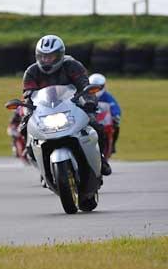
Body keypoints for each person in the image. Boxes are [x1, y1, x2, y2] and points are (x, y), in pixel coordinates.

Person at [20, 35, 111, 176]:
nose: (46, 60)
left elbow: (84, 86)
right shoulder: (31, 72)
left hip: (73, 107)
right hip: (44, 112)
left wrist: (89, 102)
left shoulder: (72, 66)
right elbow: (28, 95)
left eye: (50, 57)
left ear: (60, 55)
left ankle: (101, 159)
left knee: (96, 126)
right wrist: (27, 113)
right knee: (25, 129)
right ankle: (42, 168)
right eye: (42, 56)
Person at [89, 73, 122, 154]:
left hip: (104, 120)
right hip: (89, 119)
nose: (96, 90)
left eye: (98, 88)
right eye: (93, 88)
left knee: (116, 126)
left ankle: (113, 144)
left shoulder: (107, 96)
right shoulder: (85, 96)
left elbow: (115, 106)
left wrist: (116, 115)